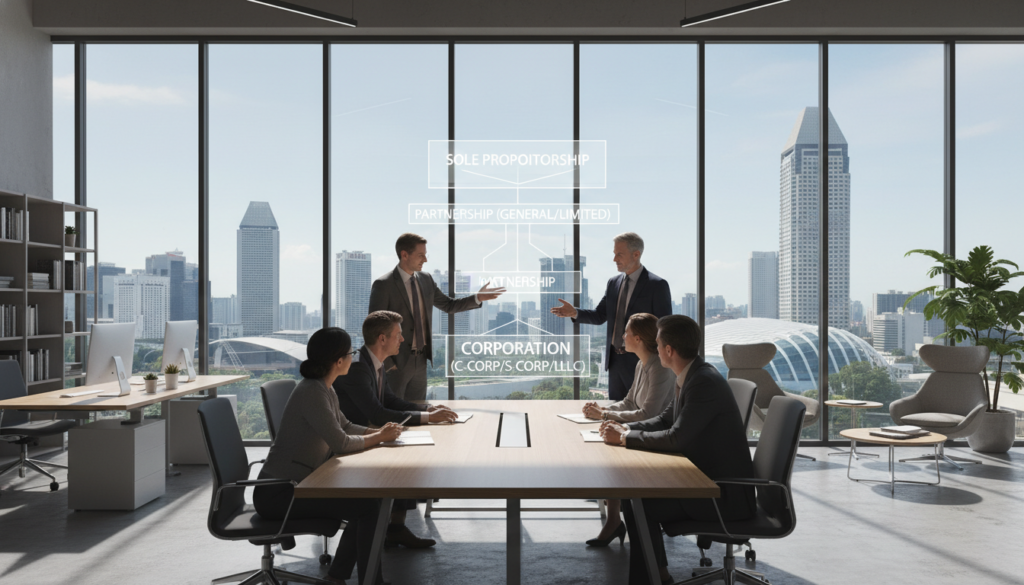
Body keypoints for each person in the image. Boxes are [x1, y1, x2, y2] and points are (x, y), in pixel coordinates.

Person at [598, 315, 756, 585]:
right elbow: (664, 420)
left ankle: (651, 578)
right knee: (634, 499)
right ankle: (657, 574)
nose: (655, 348)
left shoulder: (702, 382)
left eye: (658, 344)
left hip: (723, 496)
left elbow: (676, 438)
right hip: (708, 481)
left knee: (638, 503)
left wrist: (626, 439)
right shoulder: (691, 374)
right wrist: (625, 430)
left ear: (669, 351)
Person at [253, 327, 404, 585]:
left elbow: (344, 426)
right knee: (368, 508)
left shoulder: (325, 388)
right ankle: (368, 581)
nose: (354, 358)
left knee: (370, 501)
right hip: (279, 494)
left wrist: (378, 431)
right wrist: (379, 438)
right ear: (338, 361)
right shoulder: (312, 392)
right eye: (351, 353)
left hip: (300, 485)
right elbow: (341, 442)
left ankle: (339, 577)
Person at [334, 310, 457, 549]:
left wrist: (428, 409)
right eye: (398, 335)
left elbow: (391, 401)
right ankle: (392, 529)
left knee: (409, 460)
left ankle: (395, 529)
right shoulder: (359, 367)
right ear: (382, 339)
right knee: (405, 464)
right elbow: (377, 414)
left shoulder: (375, 364)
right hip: (351, 444)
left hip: (370, 436)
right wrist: (427, 417)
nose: (403, 340)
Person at [369, 233, 505, 401]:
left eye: (425, 255)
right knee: (392, 413)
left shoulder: (426, 279)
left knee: (417, 411)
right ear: (404, 255)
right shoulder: (384, 285)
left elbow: (448, 305)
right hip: (396, 363)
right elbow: (373, 327)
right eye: (421, 255)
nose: (425, 259)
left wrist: (477, 298)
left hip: (421, 361)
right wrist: (389, 365)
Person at [579, 313, 675, 548]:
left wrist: (604, 415)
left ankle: (616, 523)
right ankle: (613, 521)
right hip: (641, 429)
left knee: (613, 455)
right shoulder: (643, 364)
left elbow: (648, 414)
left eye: (626, 333)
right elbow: (630, 401)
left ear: (639, 338)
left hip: (655, 438)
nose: (622, 336)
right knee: (609, 453)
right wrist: (604, 409)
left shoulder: (660, 369)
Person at [550, 232, 671, 402]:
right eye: (614, 254)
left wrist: (663, 363)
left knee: (641, 411)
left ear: (636, 254)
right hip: (614, 362)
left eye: (619, 254)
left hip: (642, 362)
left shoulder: (657, 285)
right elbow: (600, 316)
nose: (614, 259)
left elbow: (664, 327)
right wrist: (575, 312)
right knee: (616, 410)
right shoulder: (613, 283)